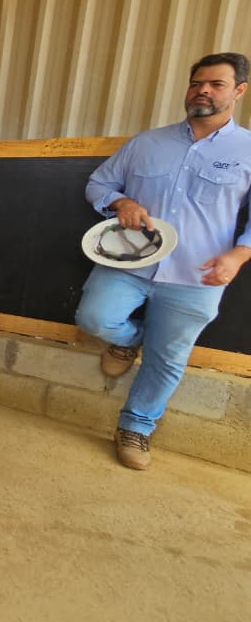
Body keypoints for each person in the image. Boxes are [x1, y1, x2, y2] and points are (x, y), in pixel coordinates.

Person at [75, 52, 251, 471]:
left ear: (239, 91)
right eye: (196, 83)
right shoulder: (147, 143)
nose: (203, 91)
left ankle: (136, 427)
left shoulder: (248, 149)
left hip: (199, 273)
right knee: (93, 318)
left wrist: (240, 254)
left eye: (216, 84)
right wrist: (121, 201)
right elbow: (99, 182)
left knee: (168, 357)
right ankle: (127, 338)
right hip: (129, 262)